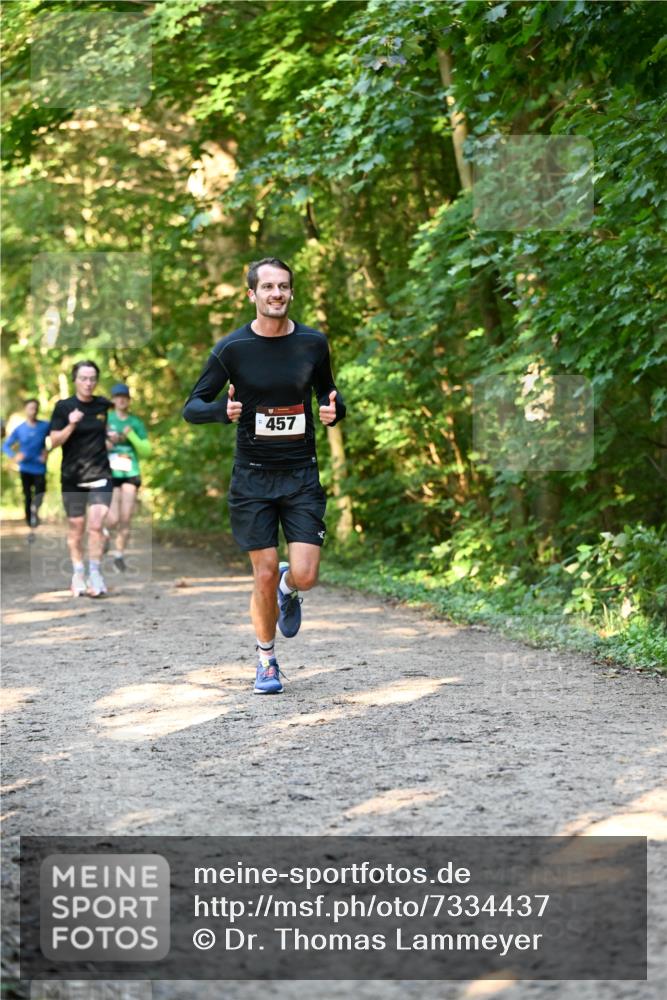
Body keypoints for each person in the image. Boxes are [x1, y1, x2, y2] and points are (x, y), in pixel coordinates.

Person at [183, 257, 346, 694]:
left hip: (301, 475)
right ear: (252, 294)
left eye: (284, 287)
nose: (277, 294)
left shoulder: (313, 342)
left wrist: (335, 410)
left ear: (291, 292)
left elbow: (329, 392)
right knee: (263, 571)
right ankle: (267, 660)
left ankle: (289, 589)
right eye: (268, 287)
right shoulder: (232, 349)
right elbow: (192, 406)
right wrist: (222, 411)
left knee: (306, 574)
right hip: (252, 477)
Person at [48, 360, 113, 598]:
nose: (88, 383)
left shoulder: (104, 405)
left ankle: (95, 572)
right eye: (84, 378)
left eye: (92, 378)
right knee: (77, 529)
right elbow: (54, 442)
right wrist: (71, 424)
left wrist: (112, 436)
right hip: (73, 476)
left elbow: (111, 427)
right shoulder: (63, 407)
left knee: (96, 526)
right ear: (75, 380)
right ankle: (78, 573)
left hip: (100, 474)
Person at [104, 382, 151, 572]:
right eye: (118, 396)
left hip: (131, 472)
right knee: (113, 518)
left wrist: (130, 435)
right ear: (113, 400)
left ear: (129, 400)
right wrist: (109, 441)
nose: (121, 399)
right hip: (111, 473)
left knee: (126, 517)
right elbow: (95, 447)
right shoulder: (105, 420)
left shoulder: (135, 423)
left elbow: (146, 451)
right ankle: (105, 532)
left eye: (125, 397)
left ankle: (119, 555)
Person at [2, 399, 50, 540]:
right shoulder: (20, 429)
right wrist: (15, 456)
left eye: (35, 408)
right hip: (25, 468)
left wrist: (47, 451)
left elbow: (55, 438)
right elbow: (5, 446)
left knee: (40, 494)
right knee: (28, 496)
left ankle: (36, 511)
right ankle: (31, 524)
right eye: (30, 408)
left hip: (40, 468)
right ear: (25, 410)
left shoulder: (45, 426)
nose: (33, 411)